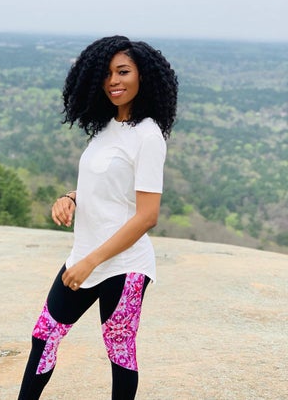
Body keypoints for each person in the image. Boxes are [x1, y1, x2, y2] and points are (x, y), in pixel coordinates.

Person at [17, 35, 178, 399]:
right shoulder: (106, 126)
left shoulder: (148, 136)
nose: (113, 81)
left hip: (124, 265)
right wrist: (70, 197)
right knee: (44, 336)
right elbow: (107, 187)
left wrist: (91, 261)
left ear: (143, 76)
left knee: (119, 350)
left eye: (123, 72)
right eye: (106, 74)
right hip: (85, 256)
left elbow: (147, 216)